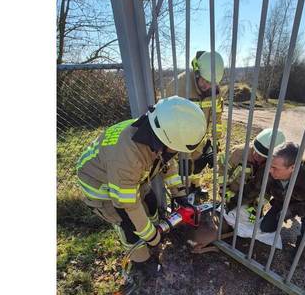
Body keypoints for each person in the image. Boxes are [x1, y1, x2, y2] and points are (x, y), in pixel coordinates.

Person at [76, 96, 207, 278]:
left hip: (126, 176)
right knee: (129, 225)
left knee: (151, 203)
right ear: (165, 143)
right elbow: (127, 205)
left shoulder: (155, 133)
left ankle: (153, 232)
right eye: (176, 149)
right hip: (100, 186)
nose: (177, 153)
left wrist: (179, 194)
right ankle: (141, 262)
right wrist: (151, 236)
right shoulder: (127, 157)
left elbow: (167, 164)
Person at [164, 50, 225, 197]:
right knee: (183, 166)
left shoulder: (215, 92)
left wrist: (215, 140)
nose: (206, 86)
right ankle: (182, 192)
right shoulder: (178, 86)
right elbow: (167, 115)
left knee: (198, 162)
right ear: (197, 71)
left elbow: (217, 116)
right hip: (180, 137)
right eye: (204, 80)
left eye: (211, 83)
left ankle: (195, 186)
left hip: (200, 135)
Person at [260, 142, 305, 256]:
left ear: (292, 167)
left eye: (274, 168)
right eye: (269, 165)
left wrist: (292, 210)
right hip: (283, 201)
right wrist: (233, 203)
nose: (269, 170)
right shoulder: (273, 167)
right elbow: (254, 187)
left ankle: (303, 247)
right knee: (266, 227)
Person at [218, 128, 286, 213]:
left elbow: (267, 191)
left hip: (253, 203)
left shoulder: (274, 166)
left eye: (262, 155)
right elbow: (222, 170)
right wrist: (225, 191)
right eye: (255, 150)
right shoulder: (238, 152)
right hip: (232, 194)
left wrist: (255, 209)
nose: (256, 155)